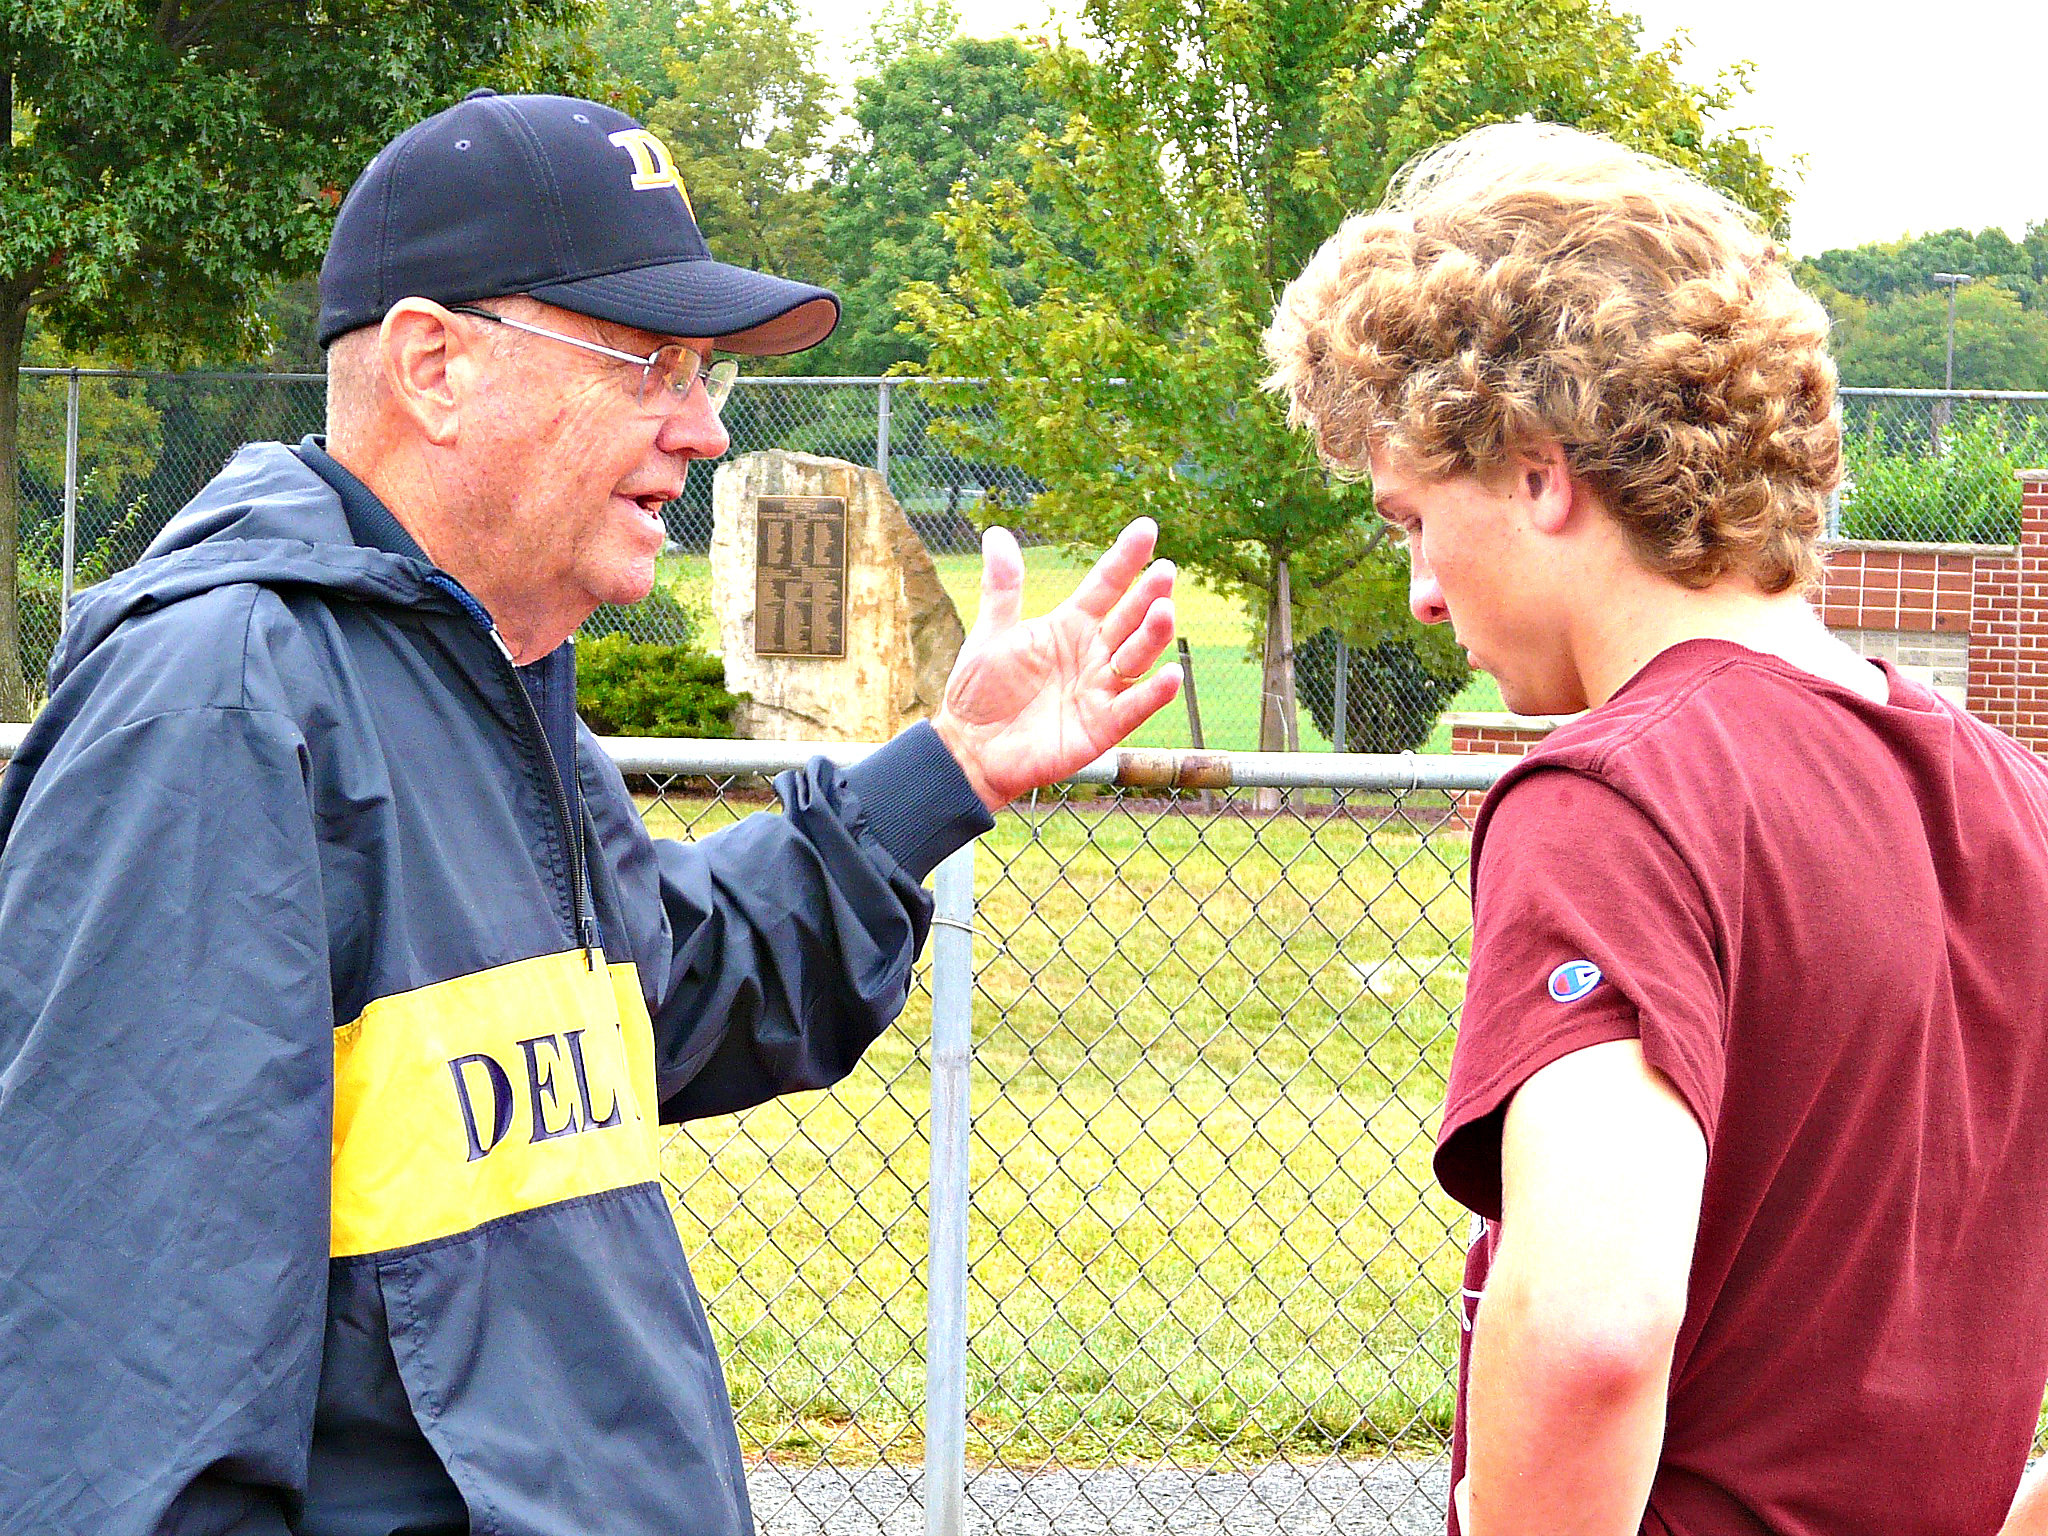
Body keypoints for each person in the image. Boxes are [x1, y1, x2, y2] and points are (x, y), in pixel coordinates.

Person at [0, 91, 1179, 1536]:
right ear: (435, 365)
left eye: (706, 375)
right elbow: (126, 1396)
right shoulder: (225, 703)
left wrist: (951, 771)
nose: (699, 429)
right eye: (648, 364)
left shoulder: (488, 669)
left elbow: (666, 985)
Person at [1265, 122, 2048, 1536]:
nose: (1423, 593)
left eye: (1411, 520)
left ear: (1534, 472)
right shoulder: (2018, 810)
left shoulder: (1618, 799)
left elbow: (1590, 1335)